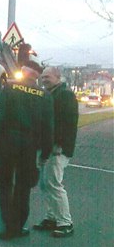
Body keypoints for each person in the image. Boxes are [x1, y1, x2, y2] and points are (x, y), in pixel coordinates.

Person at [0, 65, 54, 240]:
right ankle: (18, 226)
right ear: (37, 76)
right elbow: (48, 126)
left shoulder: (10, 88)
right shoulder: (45, 95)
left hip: (7, 143)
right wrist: (45, 152)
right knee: (24, 186)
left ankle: (8, 223)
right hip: (29, 146)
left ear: (24, 73)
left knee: (4, 182)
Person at [34, 66, 79, 237]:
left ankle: (65, 222)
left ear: (57, 77)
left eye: (48, 77)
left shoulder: (64, 95)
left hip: (57, 148)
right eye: (43, 77)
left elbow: (66, 123)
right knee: (45, 184)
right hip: (49, 146)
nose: (44, 80)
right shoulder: (52, 93)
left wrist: (58, 145)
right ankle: (51, 217)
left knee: (54, 183)